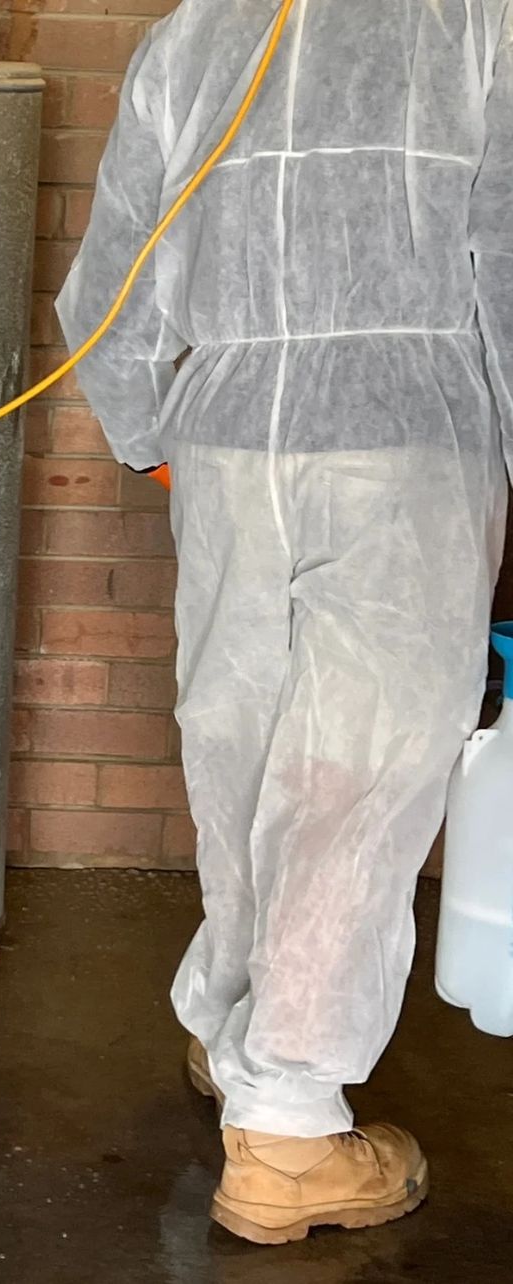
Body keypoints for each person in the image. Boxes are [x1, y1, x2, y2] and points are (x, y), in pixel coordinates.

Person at [57, 0, 512, 1246]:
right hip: (408, 434)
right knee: (349, 773)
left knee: (241, 745)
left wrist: (159, 435)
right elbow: (507, 257)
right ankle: (289, 1136)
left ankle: (233, 1027)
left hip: (224, 439)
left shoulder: (197, 32)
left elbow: (108, 286)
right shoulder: (476, 27)